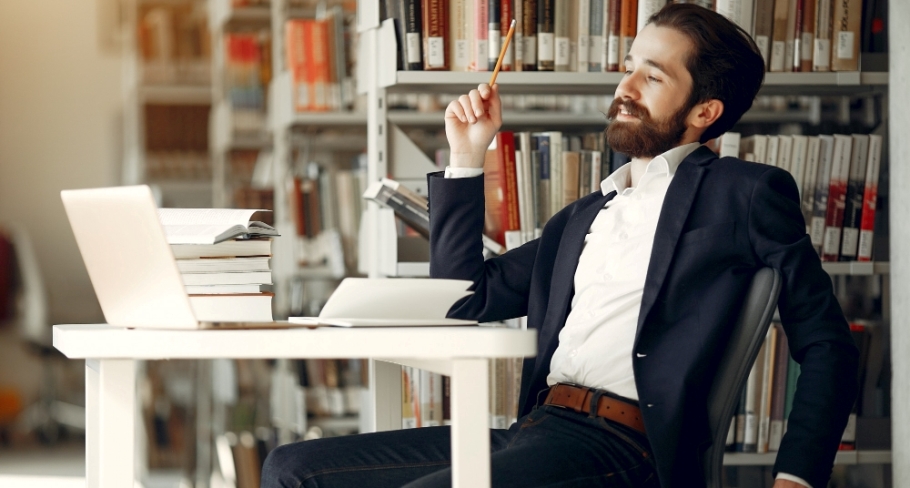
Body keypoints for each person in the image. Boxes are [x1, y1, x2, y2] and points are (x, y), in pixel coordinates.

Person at [261, 4, 857, 487]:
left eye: (652, 76)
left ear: (705, 110)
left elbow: (826, 341)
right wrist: (468, 157)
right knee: (293, 469)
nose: (625, 87)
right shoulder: (582, 217)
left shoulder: (744, 194)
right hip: (535, 428)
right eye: (628, 67)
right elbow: (464, 299)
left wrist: (796, 479)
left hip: (625, 446)